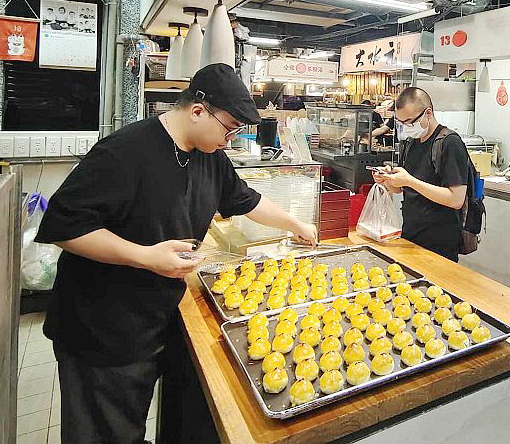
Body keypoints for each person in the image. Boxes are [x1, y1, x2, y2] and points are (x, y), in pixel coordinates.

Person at [36, 63, 317, 444]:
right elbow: (64, 227)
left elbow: (246, 200)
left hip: (159, 315)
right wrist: (144, 256)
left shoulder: (209, 155)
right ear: (198, 111)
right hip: (103, 327)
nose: (230, 140)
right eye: (229, 128)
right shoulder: (125, 151)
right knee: (106, 433)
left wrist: (295, 224)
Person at [373, 87, 470, 261]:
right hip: (410, 236)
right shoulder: (411, 142)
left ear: (428, 113)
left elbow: (456, 199)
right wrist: (387, 180)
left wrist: (410, 181)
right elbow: (400, 188)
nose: (406, 127)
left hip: (440, 243)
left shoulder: (449, 143)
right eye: (401, 123)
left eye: (410, 122)